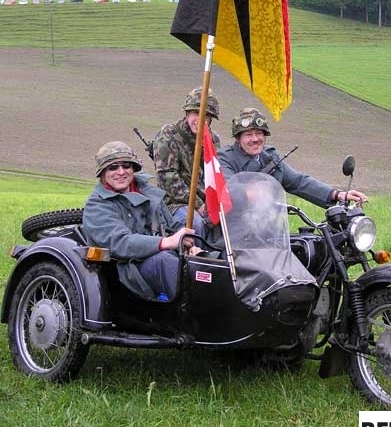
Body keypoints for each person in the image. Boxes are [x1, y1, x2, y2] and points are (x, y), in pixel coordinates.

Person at [82, 141, 201, 301]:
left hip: (167, 256)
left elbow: (171, 226)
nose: (121, 172)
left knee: (210, 262)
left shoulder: (148, 192)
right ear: (103, 173)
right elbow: (121, 242)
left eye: (126, 165)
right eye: (113, 167)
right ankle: (197, 309)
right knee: (164, 262)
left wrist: (188, 244)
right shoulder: (97, 206)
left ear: (133, 168)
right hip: (129, 270)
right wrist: (165, 242)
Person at [217, 107, 368, 209]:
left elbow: (299, 182)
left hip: (268, 228)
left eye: (259, 133)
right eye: (248, 134)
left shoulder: (270, 157)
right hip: (231, 231)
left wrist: (337, 194)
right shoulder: (225, 158)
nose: (255, 139)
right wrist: (249, 193)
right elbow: (229, 189)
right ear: (238, 139)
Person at [152, 87, 220, 238]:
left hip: (206, 202)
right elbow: (167, 178)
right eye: (196, 113)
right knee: (195, 225)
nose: (200, 119)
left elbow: (216, 175)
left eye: (206, 115)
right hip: (174, 203)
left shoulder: (213, 140)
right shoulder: (169, 134)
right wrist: (198, 205)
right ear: (187, 113)